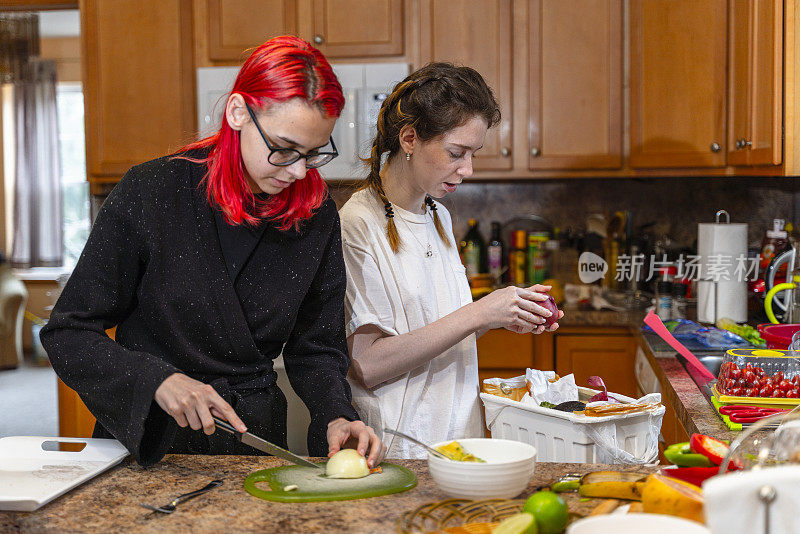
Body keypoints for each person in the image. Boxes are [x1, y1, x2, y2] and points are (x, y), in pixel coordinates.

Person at [40, 36, 385, 467]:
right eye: (283, 149)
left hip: (251, 441)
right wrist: (156, 379)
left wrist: (336, 413)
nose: (298, 172)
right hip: (150, 442)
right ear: (238, 112)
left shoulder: (315, 217)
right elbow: (68, 334)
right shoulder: (152, 192)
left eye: (314, 154)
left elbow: (316, 348)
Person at [339, 63, 563, 458]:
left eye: (473, 154)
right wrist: (479, 313)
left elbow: (442, 329)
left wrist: (506, 313)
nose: (468, 169)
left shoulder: (436, 214)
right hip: (400, 449)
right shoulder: (359, 225)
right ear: (409, 138)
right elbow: (368, 365)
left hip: (456, 439)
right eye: (456, 153)